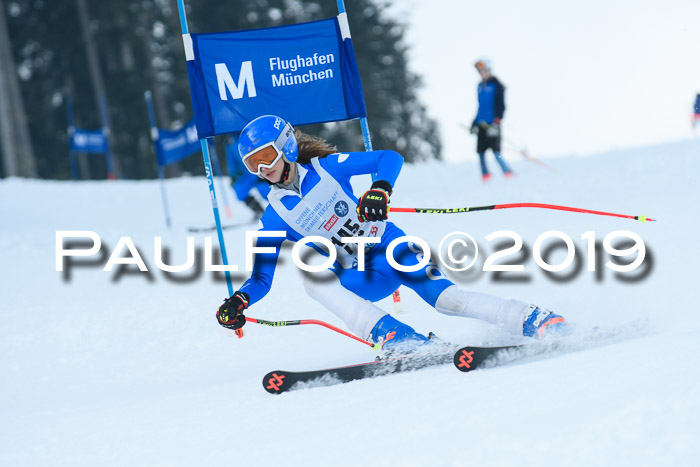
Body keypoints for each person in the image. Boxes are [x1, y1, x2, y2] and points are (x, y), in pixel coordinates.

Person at [216, 115, 568, 350]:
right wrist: (240, 300)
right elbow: (261, 277)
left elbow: (389, 158)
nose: (263, 169)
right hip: (358, 275)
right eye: (253, 164)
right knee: (313, 280)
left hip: (391, 248)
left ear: (287, 146)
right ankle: (399, 339)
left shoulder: (327, 168)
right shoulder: (275, 214)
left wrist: (379, 189)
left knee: (448, 300)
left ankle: (532, 318)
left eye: (266, 156)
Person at [470, 58, 513, 182]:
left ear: (488, 70)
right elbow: (480, 107)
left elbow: (501, 106)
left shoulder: (497, 85)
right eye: (479, 71)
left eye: (483, 70)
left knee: (496, 152)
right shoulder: (479, 86)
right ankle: (485, 175)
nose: (481, 73)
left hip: (493, 124)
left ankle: (507, 172)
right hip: (481, 124)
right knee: (480, 152)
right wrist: (474, 123)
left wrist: (496, 122)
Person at [225, 135, 270, 219]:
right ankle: (259, 211)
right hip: (247, 174)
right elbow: (232, 161)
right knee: (239, 189)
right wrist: (233, 176)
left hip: (260, 169)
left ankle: (280, 209)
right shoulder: (230, 141)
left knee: (264, 191)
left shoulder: (251, 133)